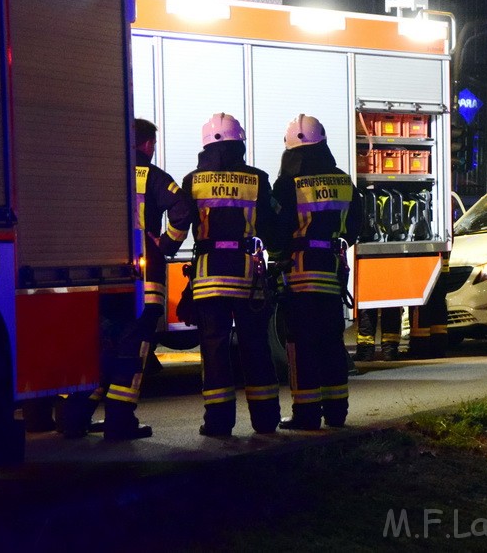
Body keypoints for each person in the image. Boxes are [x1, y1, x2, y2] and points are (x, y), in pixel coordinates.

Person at [59, 118, 191, 441]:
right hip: (144, 282)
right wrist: (165, 245)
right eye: (153, 145)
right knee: (132, 352)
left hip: (102, 282)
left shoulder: (100, 177)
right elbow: (183, 210)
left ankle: (74, 419)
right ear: (146, 145)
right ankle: (119, 422)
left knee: (99, 351)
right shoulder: (155, 178)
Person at [181, 113, 281, 437]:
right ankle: (266, 421)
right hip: (247, 275)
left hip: (208, 276)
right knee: (256, 347)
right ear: (240, 142)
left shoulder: (192, 180)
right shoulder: (257, 179)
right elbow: (269, 227)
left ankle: (218, 423)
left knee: (214, 350)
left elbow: (182, 224)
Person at [273, 114, 362, 430]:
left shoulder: (287, 184)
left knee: (301, 345)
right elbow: (356, 225)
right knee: (331, 343)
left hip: (299, 275)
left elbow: (277, 232)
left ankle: (307, 415)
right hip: (332, 273)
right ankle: (337, 412)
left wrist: (277, 259)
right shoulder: (343, 180)